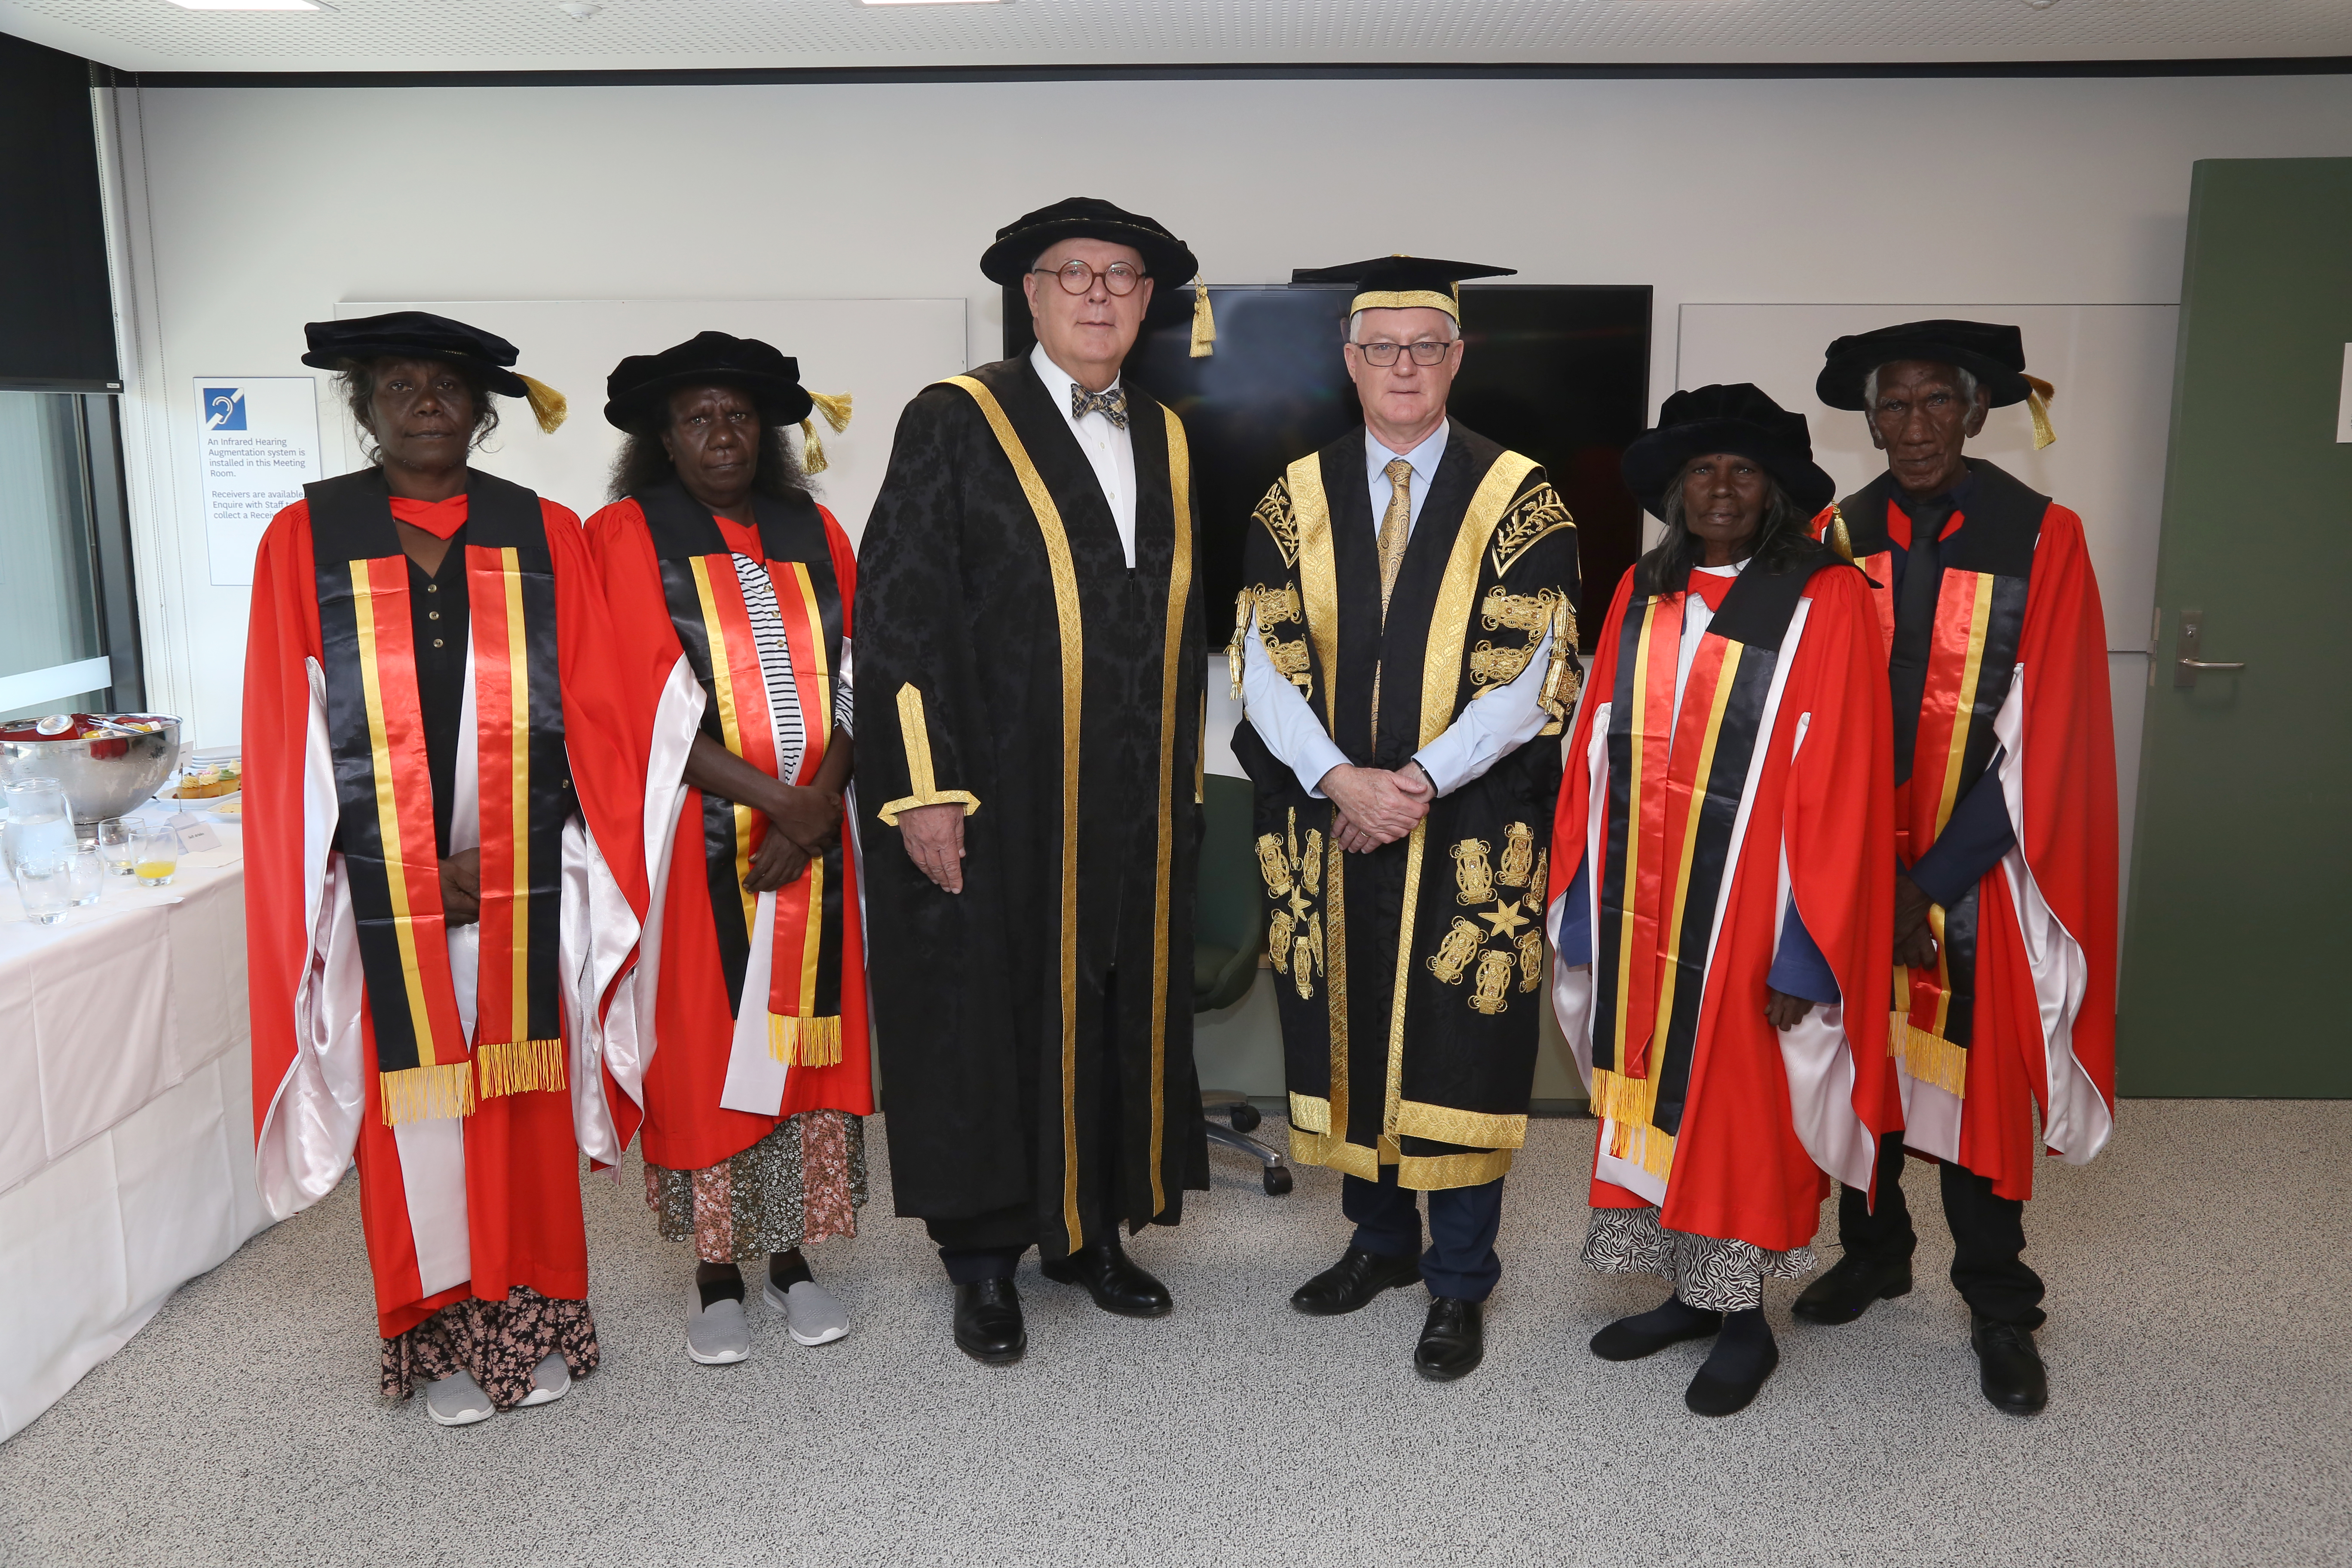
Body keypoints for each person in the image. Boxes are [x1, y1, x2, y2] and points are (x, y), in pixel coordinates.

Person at [243, 312, 654, 1426]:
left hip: (524, 878)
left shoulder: (546, 531)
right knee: (415, 1118)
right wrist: (409, 871)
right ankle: (436, 1342)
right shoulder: (305, 537)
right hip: (383, 896)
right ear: (363, 404)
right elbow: (290, 734)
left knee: (517, 1101)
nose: (426, 399)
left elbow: (599, 714)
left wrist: (523, 852)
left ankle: (535, 1323)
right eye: (400, 382)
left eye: (450, 385)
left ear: (485, 410)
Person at [854, 197, 1210, 1364]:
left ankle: (1090, 1232)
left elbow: (1173, 618)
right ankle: (983, 1265)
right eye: (1074, 273)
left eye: (1122, 275)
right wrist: (925, 788)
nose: (1099, 293)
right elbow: (898, 609)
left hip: (1127, 794)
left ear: (1150, 301)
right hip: (995, 793)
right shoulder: (956, 418)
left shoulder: (1164, 431)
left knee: (1111, 1000)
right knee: (984, 1013)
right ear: (1032, 293)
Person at [1233, 255, 1580, 1382]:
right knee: (1344, 1025)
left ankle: (1460, 1280)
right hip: (1329, 823)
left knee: (1458, 1038)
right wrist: (1342, 780)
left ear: (1457, 359)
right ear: (1348, 361)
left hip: (1471, 827)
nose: (1404, 368)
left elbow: (1533, 674)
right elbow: (1259, 659)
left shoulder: (1522, 495)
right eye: (1381, 348)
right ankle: (1380, 1243)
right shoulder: (1292, 495)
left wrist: (1414, 783)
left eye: (1426, 348)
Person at [1547, 383, 1896, 1416]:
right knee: (1649, 1094)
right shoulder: (1640, 593)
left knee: (1739, 1113)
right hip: (1639, 913)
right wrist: (1577, 899)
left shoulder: (1825, 598)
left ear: (1779, 488)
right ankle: (1689, 1295)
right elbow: (1593, 753)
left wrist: (1807, 947)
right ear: (1674, 488)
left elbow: (1846, 778)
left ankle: (1746, 1320)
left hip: (1752, 915)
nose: (1722, 488)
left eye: (1745, 470)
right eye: (1702, 470)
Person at [1795, 321, 2118, 1416]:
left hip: (1981, 867)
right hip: (1856, 862)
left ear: (1980, 412)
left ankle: (1998, 1303)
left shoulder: (2043, 536)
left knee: (1977, 1089)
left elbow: (2052, 738)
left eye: (1939, 402)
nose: (1915, 426)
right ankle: (1877, 1253)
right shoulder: (1833, 532)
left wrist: (1928, 882)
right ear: (1868, 419)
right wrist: (1856, 875)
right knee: (1863, 1066)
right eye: (1894, 406)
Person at [583, 332, 872, 1367]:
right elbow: (637, 703)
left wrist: (822, 799)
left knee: (803, 1039)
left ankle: (791, 1260)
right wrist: (782, 809)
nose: (722, 435)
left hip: (818, 842)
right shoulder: (623, 536)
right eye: (698, 417)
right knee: (709, 1047)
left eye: (741, 416)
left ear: (772, 429)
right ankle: (714, 1276)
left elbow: (858, 672)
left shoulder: (818, 531)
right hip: (695, 848)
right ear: (663, 435)